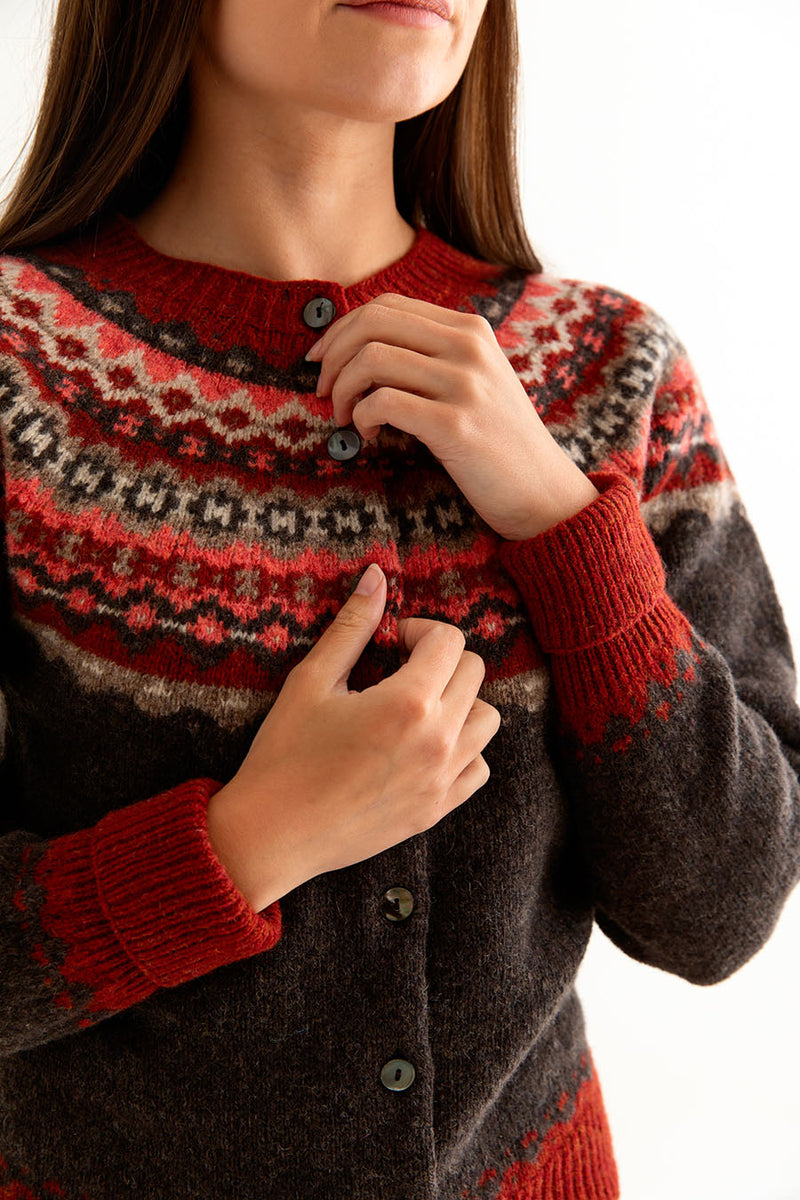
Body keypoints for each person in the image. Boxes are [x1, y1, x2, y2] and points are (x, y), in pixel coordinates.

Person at [0, 0, 798, 1196]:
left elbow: (718, 908)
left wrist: (561, 521)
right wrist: (243, 843)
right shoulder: (21, 369)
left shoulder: (606, 369)